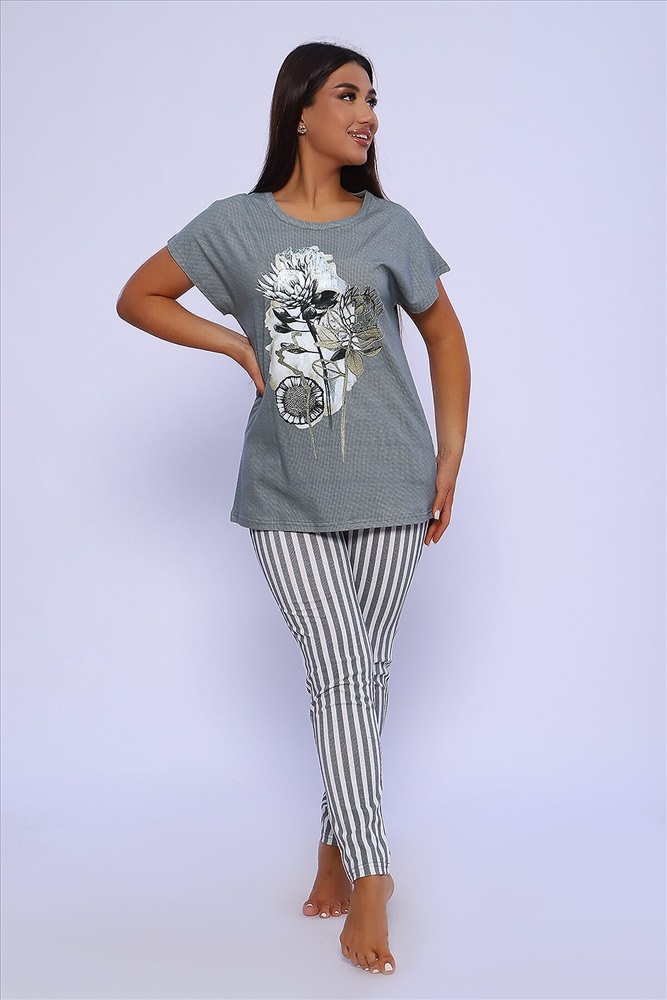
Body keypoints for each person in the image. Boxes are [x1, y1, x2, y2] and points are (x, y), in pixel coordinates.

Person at [116, 40, 471, 976]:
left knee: (365, 675)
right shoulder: (234, 226)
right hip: (282, 493)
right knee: (341, 670)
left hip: (394, 483)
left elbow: (445, 338)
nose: (368, 114)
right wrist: (236, 346)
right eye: (347, 95)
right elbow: (139, 296)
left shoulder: (389, 226)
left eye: (373, 99)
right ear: (299, 112)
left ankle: (332, 847)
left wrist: (450, 459)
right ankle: (375, 876)